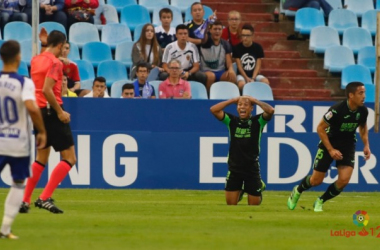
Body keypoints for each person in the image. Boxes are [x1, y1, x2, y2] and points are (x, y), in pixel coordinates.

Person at [287, 82, 370, 212]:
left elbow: (363, 127)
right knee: (316, 181)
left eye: (364, 93)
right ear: (351, 95)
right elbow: (320, 128)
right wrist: (331, 149)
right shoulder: (336, 110)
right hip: (329, 144)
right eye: (361, 93)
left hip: (347, 146)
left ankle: (320, 201)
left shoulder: (363, 111)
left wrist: (366, 145)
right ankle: (297, 190)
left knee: (343, 180)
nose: (364, 96)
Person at [19, 29, 76, 214]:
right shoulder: (55, 63)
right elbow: (47, 90)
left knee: (41, 158)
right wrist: (60, 112)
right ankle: (44, 198)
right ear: (59, 45)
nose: (64, 52)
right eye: (63, 47)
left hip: (39, 112)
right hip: (52, 111)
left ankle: (25, 200)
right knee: (70, 158)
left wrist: (45, 44)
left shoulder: (36, 59)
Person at [0, 40, 46, 239]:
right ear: (19, 57)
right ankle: (5, 229)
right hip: (18, 143)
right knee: (18, 182)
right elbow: (31, 107)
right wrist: (42, 130)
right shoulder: (23, 82)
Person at [210, 96, 274, 205]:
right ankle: (242, 189)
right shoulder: (231, 121)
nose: (242, 107)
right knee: (230, 205)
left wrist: (255, 101)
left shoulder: (258, 121)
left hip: (251, 169)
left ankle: (257, 186)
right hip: (234, 168)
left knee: (253, 207)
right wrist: (232, 100)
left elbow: (270, 110)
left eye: (245, 105)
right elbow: (214, 110)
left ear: (251, 108)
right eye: (240, 105)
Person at [200, 20, 236, 91]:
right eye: (215, 29)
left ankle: (226, 97)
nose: (217, 31)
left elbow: (229, 61)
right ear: (210, 30)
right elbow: (203, 36)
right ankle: (208, 97)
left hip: (220, 71)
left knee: (232, 77)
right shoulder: (206, 41)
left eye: (219, 29)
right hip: (206, 71)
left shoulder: (225, 44)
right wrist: (207, 23)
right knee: (211, 76)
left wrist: (231, 69)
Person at [233, 23, 270, 91]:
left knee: (265, 82)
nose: (245, 38)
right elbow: (239, 66)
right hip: (241, 75)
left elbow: (258, 65)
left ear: (253, 36)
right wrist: (246, 78)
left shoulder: (258, 47)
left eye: (247, 35)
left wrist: (253, 78)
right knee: (241, 84)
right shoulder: (237, 48)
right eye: (243, 35)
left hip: (254, 75)